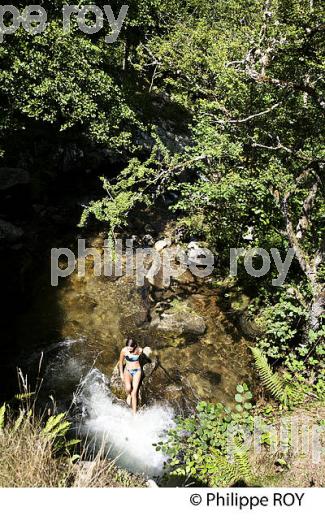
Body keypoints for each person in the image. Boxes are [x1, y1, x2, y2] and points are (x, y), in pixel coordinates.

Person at [119, 338, 143, 415]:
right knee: (128, 388)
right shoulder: (124, 350)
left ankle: (134, 414)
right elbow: (120, 363)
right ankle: (128, 395)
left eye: (130, 348)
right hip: (128, 371)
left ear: (135, 346)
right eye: (127, 347)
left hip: (137, 371)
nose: (128, 349)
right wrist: (121, 374)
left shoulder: (139, 350)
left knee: (134, 393)